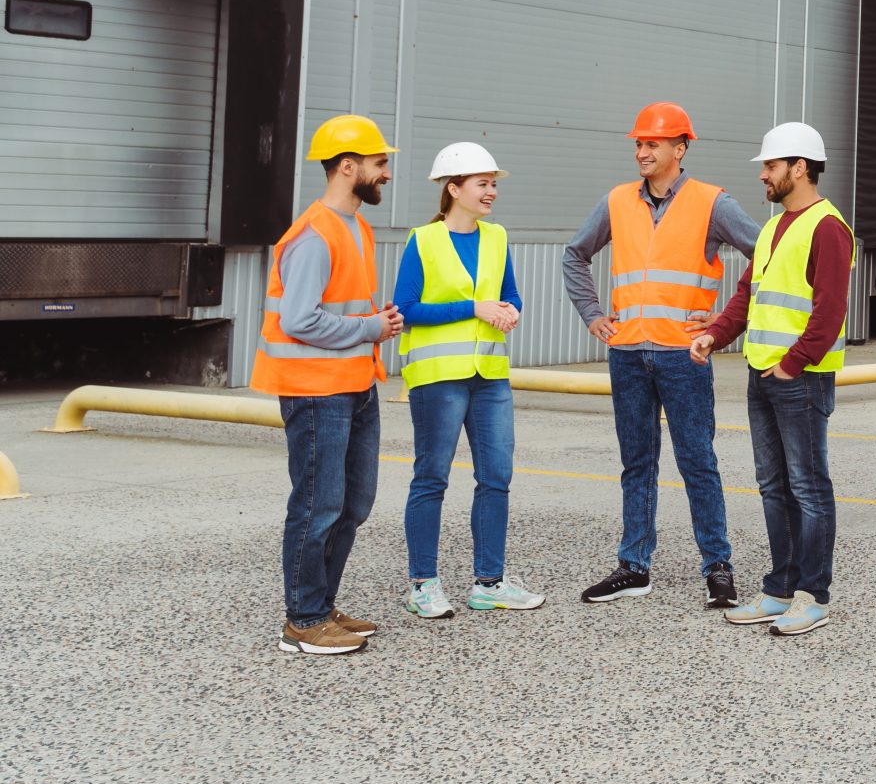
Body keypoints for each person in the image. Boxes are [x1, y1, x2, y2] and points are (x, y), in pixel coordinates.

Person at [560, 102, 762, 609]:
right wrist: (591, 314)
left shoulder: (713, 202)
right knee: (637, 463)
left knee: (698, 462)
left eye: (653, 143)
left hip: (683, 356)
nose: (642, 151)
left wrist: (721, 325)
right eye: (638, 143)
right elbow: (574, 255)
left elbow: (767, 254)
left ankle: (717, 567)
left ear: (680, 148)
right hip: (627, 353)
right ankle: (634, 566)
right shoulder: (616, 201)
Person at [693, 123, 854, 639]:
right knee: (772, 486)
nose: (763, 175)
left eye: (770, 166)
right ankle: (780, 590)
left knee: (809, 488)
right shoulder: (772, 228)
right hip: (763, 375)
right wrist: (715, 336)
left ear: (798, 167)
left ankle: (813, 596)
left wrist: (793, 363)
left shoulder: (828, 228)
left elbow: (829, 311)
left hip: (799, 378)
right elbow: (748, 295)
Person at [255, 114, 403, 656]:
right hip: (316, 391)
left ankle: (320, 602)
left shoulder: (355, 227)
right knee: (318, 504)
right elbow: (298, 319)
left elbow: (339, 306)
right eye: (379, 162)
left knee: (352, 503)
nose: (385, 173)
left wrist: (375, 320)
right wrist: (369, 327)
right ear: (348, 167)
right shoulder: (314, 234)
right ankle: (303, 619)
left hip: (354, 384)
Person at [394, 142, 542, 619]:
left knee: (496, 478)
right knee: (431, 479)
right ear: (453, 189)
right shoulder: (423, 240)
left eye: (494, 183)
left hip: (490, 376)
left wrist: (510, 311)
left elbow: (511, 294)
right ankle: (422, 584)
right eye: (483, 183)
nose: (492, 191)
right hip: (438, 378)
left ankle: (489, 583)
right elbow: (407, 310)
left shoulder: (497, 237)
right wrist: (475, 308)